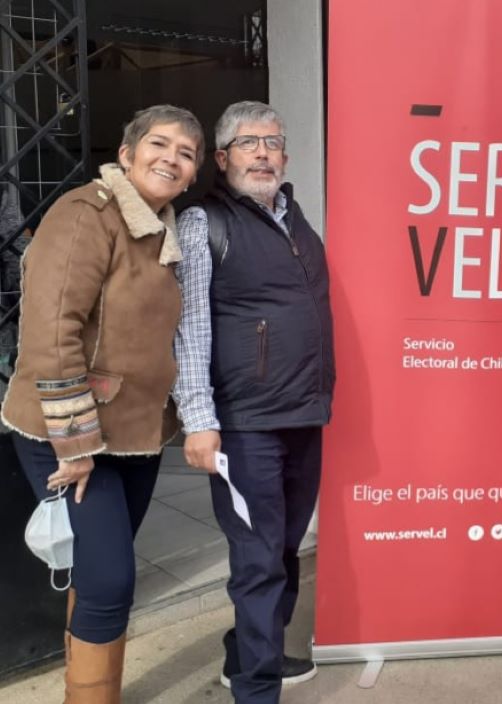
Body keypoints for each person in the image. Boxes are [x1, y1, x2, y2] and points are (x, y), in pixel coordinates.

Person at [2, 105, 203, 702]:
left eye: (186, 153)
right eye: (159, 144)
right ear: (126, 153)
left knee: (97, 577)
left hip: (135, 437)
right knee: (112, 580)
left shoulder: (162, 230)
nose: (171, 157)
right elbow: (51, 331)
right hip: (70, 438)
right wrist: (78, 444)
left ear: (193, 175)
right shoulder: (86, 213)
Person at [172, 101, 334, 704]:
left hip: (303, 416)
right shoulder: (203, 223)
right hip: (244, 426)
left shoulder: (296, 220)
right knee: (259, 559)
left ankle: (245, 653)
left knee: (285, 547)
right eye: (247, 143)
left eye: (272, 142)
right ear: (222, 158)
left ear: (285, 156)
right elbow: (190, 328)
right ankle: (256, 690)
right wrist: (199, 420)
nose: (262, 152)